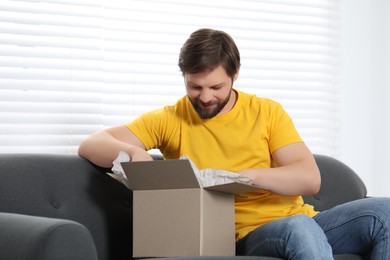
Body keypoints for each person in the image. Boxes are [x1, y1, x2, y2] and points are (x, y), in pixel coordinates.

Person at [79, 28, 390, 259]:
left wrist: (241, 177)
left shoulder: (267, 112)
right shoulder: (170, 118)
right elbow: (92, 144)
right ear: (184, 77)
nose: (205, 96)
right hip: (243, 234)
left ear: (235, 75)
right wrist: (134, 151)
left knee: (385, 211)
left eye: (216, 86)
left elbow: (309, 178)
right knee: (299, 228)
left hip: (304, 221)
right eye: (194, 86)